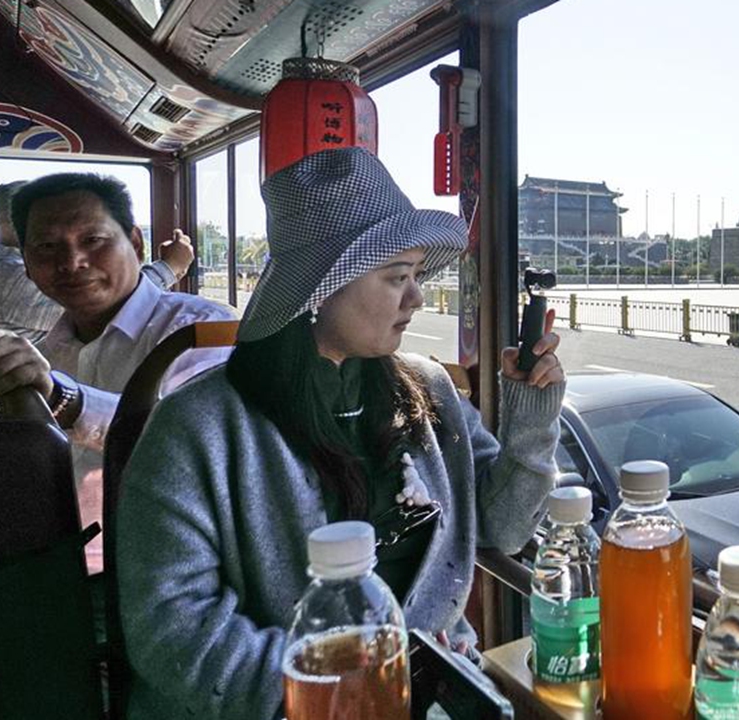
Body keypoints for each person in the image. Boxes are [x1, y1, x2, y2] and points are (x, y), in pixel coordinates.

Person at [115, 148, 566, 719]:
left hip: (433, 694)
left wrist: (531, 410)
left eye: (417, 275)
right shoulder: (198, 428)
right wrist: (352, 688)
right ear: (320, 289)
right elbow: (172, 629)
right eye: (397, 277)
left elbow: (502, 527)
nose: (417, 299)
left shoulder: (427, 392)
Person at [0, 173, 237, 572]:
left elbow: (198, 446)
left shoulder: (199, 332)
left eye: (93, 240)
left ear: (135, 243)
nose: (71, 263)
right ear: (26, 265)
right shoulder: (50, 350)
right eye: (47, 247)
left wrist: (64, 401)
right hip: (62, 561)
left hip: (173, 567)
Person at [0, 180, 195, 344]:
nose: (72, 260)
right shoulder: (4, 277)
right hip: (13, 417)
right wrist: (170, 267)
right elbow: (108, 303)